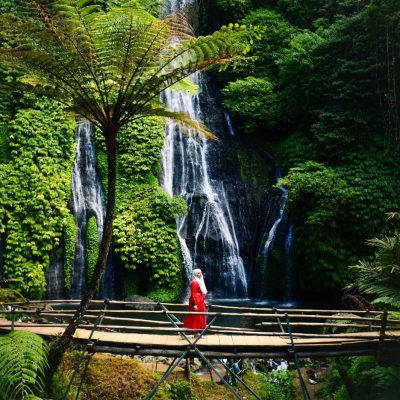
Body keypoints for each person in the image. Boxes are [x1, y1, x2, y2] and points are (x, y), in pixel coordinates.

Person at [182, 268, 207, 337]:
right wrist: (195, 304)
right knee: (193, 316)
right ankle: (182, 332)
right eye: (198, 273)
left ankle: (196, 333)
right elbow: (193, 294)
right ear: (195, 274)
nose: (200, 274)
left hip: (200, 301)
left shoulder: (200, 281)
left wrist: (203, 301)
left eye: (201, 272)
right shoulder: (194, 282)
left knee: (199, 317)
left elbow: (201, 293)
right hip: (196, 301)